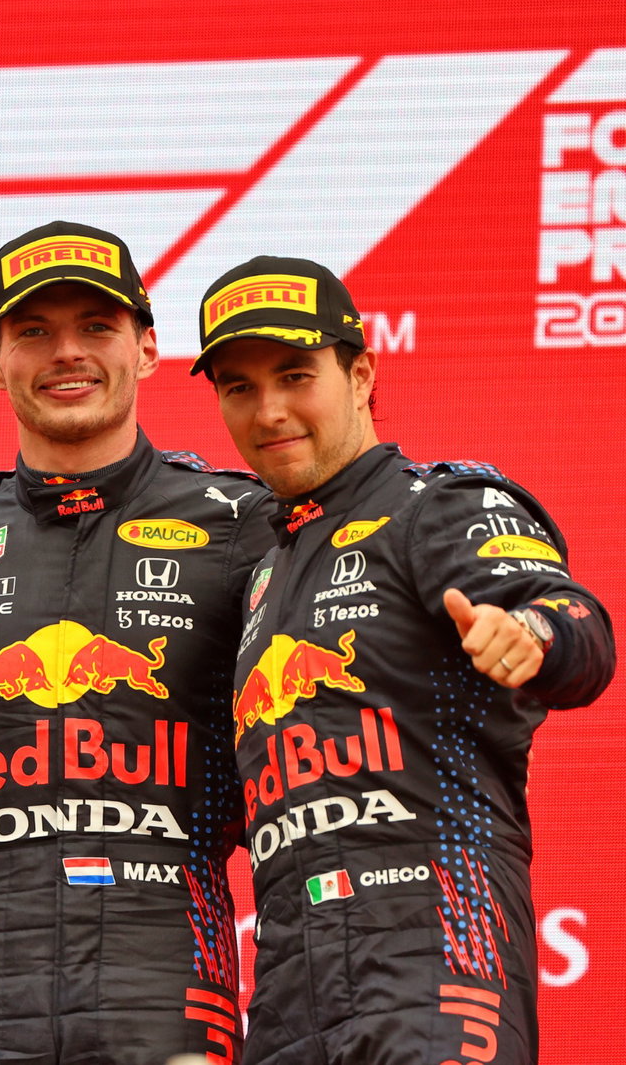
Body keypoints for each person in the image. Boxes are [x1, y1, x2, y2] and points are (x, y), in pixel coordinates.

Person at [193, 256, 615, 1064]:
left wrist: (532, 636)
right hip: (287, 980)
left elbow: (579, 621)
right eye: (239, 387)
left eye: (294, 374)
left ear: (361, 373)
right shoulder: (259, 572)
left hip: (437, 950)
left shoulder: (436, 506)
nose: (270, 409)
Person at [0, 221, 275, 1064]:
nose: (66, 352)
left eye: (96, 329)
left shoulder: (241, 520)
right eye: (33, 331)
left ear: (146, 349)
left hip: (168, 983)